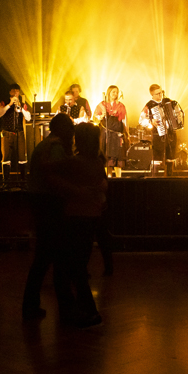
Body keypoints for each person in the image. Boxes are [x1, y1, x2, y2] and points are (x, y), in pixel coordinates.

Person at [21, 113, 76, 321]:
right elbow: (54, 177)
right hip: (50, 204)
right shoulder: (56, 147)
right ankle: (64, 308)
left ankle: (31, 305)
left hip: (41, 202)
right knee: (54, 257)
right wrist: (75, 192)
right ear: (63, 129)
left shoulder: (45, 145)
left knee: (43, 257)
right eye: (70, 128)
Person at [54, 123, 106, 327]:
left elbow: (49, 170)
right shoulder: (97, 162)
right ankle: (86, 311)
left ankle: (86, 311)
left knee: (72, 267)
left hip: (75, 217)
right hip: (91, 216)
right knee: (79, 265)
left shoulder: (75, 162)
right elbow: (102, 186)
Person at [139, 84, 182, 177]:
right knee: (157, 160)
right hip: (158, 135)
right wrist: (151, 122)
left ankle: (170, 178)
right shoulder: (149, 105)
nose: (160, 95)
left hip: (171, 134)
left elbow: (178, 111)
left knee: (170, 159)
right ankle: (156, 179)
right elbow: (141, 120)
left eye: (161, 92)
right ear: (152, 94)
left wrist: (179, 117)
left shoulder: (169, 101)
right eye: (157, 94)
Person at [0, 84, 31, 186]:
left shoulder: (23, 104)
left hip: (19, 133)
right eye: (13, 91)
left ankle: (23, 181)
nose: (15, 93)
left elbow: (28, 118)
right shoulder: (4, 102)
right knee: (6, 157)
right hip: (7, 133)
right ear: (9, 92)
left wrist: (21, 108)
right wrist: (9, 104)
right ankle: (5, 182)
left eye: (17, 91)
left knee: (22, 158)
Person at [93, 85, 128, 178]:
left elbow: (124, 120)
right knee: (107, 157)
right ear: (109, 93)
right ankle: (108, 178)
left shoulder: (121, 106)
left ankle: (118, 178)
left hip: (117, 134)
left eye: (117, 92)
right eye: (113, 92)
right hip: (106, 133)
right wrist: (101, 116)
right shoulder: (102, 105)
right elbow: (95, 117)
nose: (115, 94)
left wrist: (126, 133)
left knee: (117, 156)